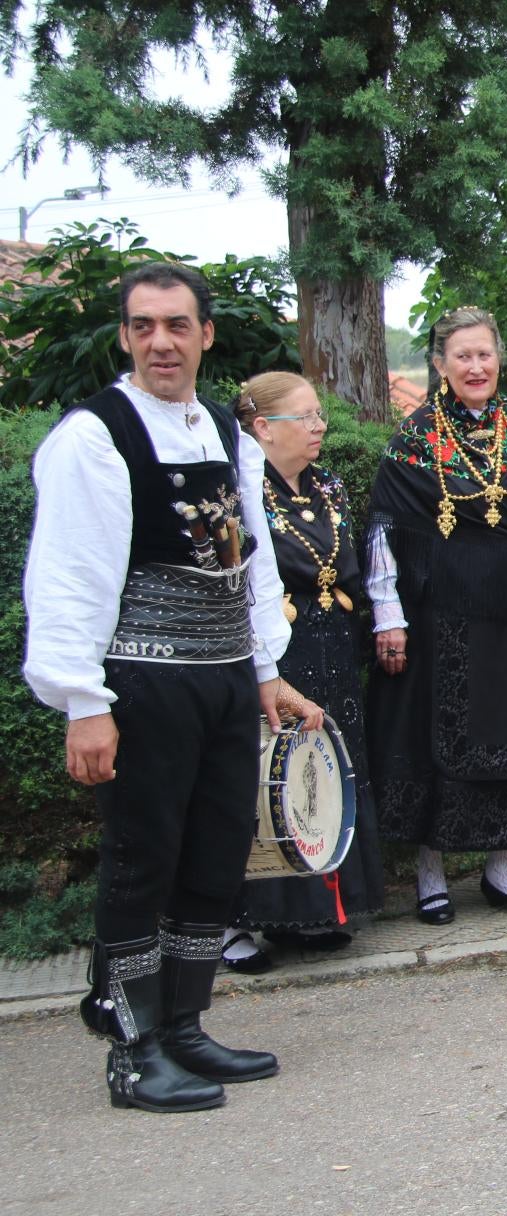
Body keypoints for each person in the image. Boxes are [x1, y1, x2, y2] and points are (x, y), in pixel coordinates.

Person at [22, 262, 321, 1113]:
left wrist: (265, 669)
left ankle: (185, 1025)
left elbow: (251, 559)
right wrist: (84, 700)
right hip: (144, 682)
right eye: (145, 325)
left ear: (205, 335)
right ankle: (133, 1046)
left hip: (226, 678)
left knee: (213, 853)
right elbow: (71, 576)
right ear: (125, 335)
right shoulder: (95, 436)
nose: (162, 341)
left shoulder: (224, 436)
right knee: (142, 859)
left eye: (178, 325)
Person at [366, 307, 507, 925]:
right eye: (463, 356)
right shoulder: (414, 438)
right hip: (444, 617)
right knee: (442, 739)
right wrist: (390, 616)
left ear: (498, 358)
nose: (476, 367)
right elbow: (384, 530)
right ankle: (431, 878)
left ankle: (501, 871)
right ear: (439, 365)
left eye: (485, 354)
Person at [221, 373, 386, 974]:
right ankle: (238, 922)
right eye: (306, 417)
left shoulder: (326, 485)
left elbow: (345, 561)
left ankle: (312, 914)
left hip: (330, 644)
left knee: (323, 773)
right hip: (275, 649)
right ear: (263, 428)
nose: (320, 427)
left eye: (320, 415)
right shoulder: (242, 493)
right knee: (267, 774)